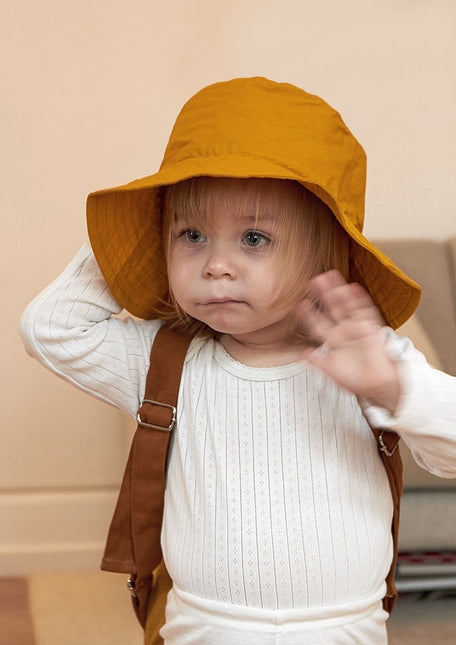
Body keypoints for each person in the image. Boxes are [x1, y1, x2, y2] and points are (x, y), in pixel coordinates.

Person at [20, 77, 456, 645]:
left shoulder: (367, 354)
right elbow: (49, 328)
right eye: (191, 234)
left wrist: (392, 387)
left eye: (253, 238)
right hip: (202, 629)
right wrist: (133, 236)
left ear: (323, 251)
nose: (216, 265)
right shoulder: (166, 361)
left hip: (344, 630)